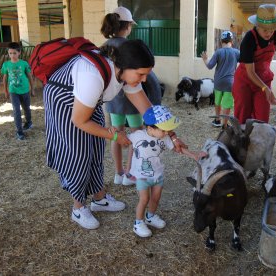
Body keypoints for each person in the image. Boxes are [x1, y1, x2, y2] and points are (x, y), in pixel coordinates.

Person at [43, 39, 184, 230]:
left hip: (88, 100)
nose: (143, 80)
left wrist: (172, 136)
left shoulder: (124, 75)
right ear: (124, 67)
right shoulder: (92, 76)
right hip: (64, 101)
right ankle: (78, 207)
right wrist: (116, 136)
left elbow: (149, 113)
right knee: (79, 153)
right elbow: (79, 120)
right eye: (141, 74)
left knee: (96, 147)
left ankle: (99, 199)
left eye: (146, 75)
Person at [101, 6, 162, 186]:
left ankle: (118, 173)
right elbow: (148, 77)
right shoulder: (130, 47)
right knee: (137, 135)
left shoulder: (104, 46)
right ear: (127, 26)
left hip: (113, 101)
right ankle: (129, 173)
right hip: (131, 101)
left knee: (116, 134)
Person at [128, 105, 204, 237]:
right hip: (142, 176)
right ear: (151, 128)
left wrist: (194, 155)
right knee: (144, 199)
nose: (167, 133)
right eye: (164, 130)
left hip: (158, 174)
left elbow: (177, 148)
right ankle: (138, 223)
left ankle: (150, 216)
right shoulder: (137, 136)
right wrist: (128, 166)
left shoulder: (164, 137)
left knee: (156, 198)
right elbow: (125, 141)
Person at [201, 31, 240, 129]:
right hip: (230, 83)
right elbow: (244, 64)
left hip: (218, 82)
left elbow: (210, 66)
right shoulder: (236, 52)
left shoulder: (218, 52)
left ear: (221, 41)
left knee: (217, 102)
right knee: (227, 104)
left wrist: (205, 59)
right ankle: (225, 124)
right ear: (232, 41)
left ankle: (217, 120)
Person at [1, 42, 35, 140]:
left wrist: (32, 89)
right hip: (13, 91)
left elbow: (29, 76)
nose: (12, 55)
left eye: (14, 53)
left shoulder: (24, 63)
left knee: (27, 108)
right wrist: (5, 90)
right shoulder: (6, 64)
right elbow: (5, 78)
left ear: (19, 53)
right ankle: (19, 131)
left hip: (24, 90)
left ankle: (28, 122)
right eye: (10, 53)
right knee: (16, 111)